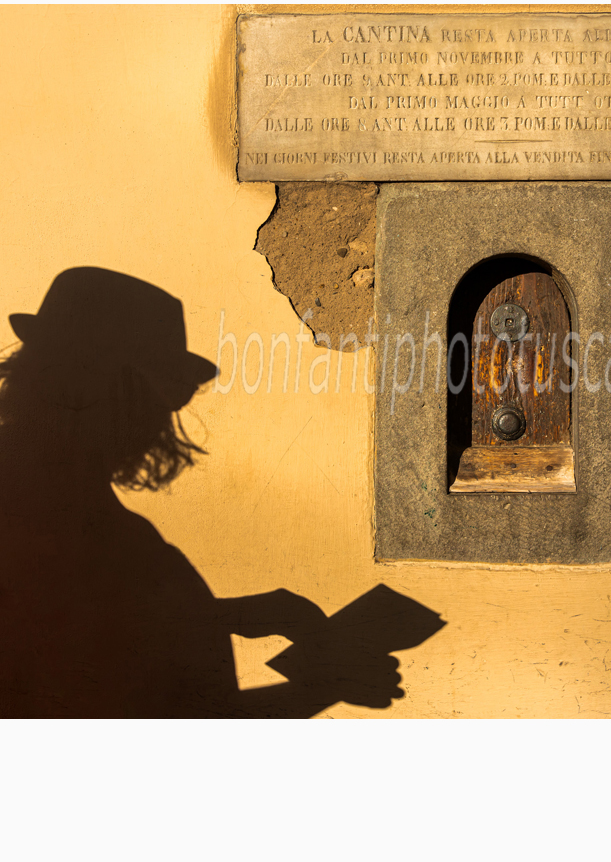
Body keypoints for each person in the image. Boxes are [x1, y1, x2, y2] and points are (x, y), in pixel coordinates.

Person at [0, 268, 404, 717]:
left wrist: (216, 617)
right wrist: (321, 687)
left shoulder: (86, 526)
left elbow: (89, 625)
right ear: (95, 388)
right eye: (167, 391)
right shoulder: (107, 540)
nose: (168, 416)